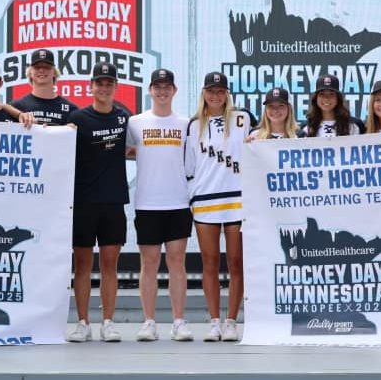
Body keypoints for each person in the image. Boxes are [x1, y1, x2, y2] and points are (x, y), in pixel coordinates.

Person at [185, 71, 256, 342]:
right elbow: (189, 167)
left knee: (236, 263)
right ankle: (214, 321)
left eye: (220, 91)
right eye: (210, 91)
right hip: (206, 200)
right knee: (210, 263)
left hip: (238, 199)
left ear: (227, 94)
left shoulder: (243, 118)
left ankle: (231, 321)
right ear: (203, 93)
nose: (215, 96)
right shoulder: (194, 125)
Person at [126, 68, 193, 342]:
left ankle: (179, 321)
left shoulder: (186, 124)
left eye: (167, 87)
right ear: (150, 90)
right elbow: (127, 151)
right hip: (147, 202)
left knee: (177, 262)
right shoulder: (135, 122)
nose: (162, 92)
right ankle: (149, 322)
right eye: (157, 87)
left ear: (174, 90)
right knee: (149, 263)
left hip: (178, 201)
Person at [67, 62, 130, 342]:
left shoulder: (125, 118)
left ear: (115, 87)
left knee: (109, 265)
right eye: (100, 83)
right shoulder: (77, 118)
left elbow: (144, 146)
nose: (104, 88)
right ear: (90, 86)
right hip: (82, 201)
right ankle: (82, 322)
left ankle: (108, 322)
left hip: (113, 200)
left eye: (109, 83)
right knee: (82, 265)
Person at [10, 49, 78, 125]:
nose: (42, 70)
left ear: (54, 72)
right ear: (30, 72)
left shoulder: (71, 110)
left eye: (47, 67)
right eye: (37, 67)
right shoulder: (16, 107)